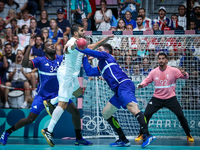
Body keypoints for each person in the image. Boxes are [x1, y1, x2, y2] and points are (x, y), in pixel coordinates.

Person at [41, 24, 113, 147]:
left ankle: (51, 101)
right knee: (63, 104)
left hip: (72, 76)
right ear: (75, 34)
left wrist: (103, 40)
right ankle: (49, 130)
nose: (84, 31)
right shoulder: (72, 42)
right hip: (66, 76)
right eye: (81, 30)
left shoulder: (81, 43)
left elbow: (89, 47)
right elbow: (67, 49)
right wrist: (74, 45)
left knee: (78, 93)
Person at [76, 43, 156, 148]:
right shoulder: (101, 66)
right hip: (118, 90)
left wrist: (79, 48)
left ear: (106, 52)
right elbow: (90, 72)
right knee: (105, 113)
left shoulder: (107, 56)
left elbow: (91, 52)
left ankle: (147, 135)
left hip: (124, 84)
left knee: (133, 108)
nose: (98, 51)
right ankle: (123, 139)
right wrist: (84, 58)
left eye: (100, 49)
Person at [0, 36, 63, 145]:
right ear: (44, 50)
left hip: (57, 96)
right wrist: (29, 46)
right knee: (30, 119)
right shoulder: (40, 60)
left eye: (52, 44)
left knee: (75, 112)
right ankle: (7, 132)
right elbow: (24, 64)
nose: (52, 46)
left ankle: (78, 137)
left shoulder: (61, 58)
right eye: (49, 45)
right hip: (42, 96)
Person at [135, 52, 194, 142]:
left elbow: (185, 77)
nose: (161, 60)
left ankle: (188, 134)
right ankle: (141, 134)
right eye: (159, 58)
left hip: (170, 98)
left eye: (163, 58)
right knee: (146, 115)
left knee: (180, 115)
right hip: (157, 98)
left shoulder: (173, 70)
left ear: (166, 60)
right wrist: (141, 84)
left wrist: (185, 73)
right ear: (158, 60)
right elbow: (147, 80)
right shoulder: (154, 72)